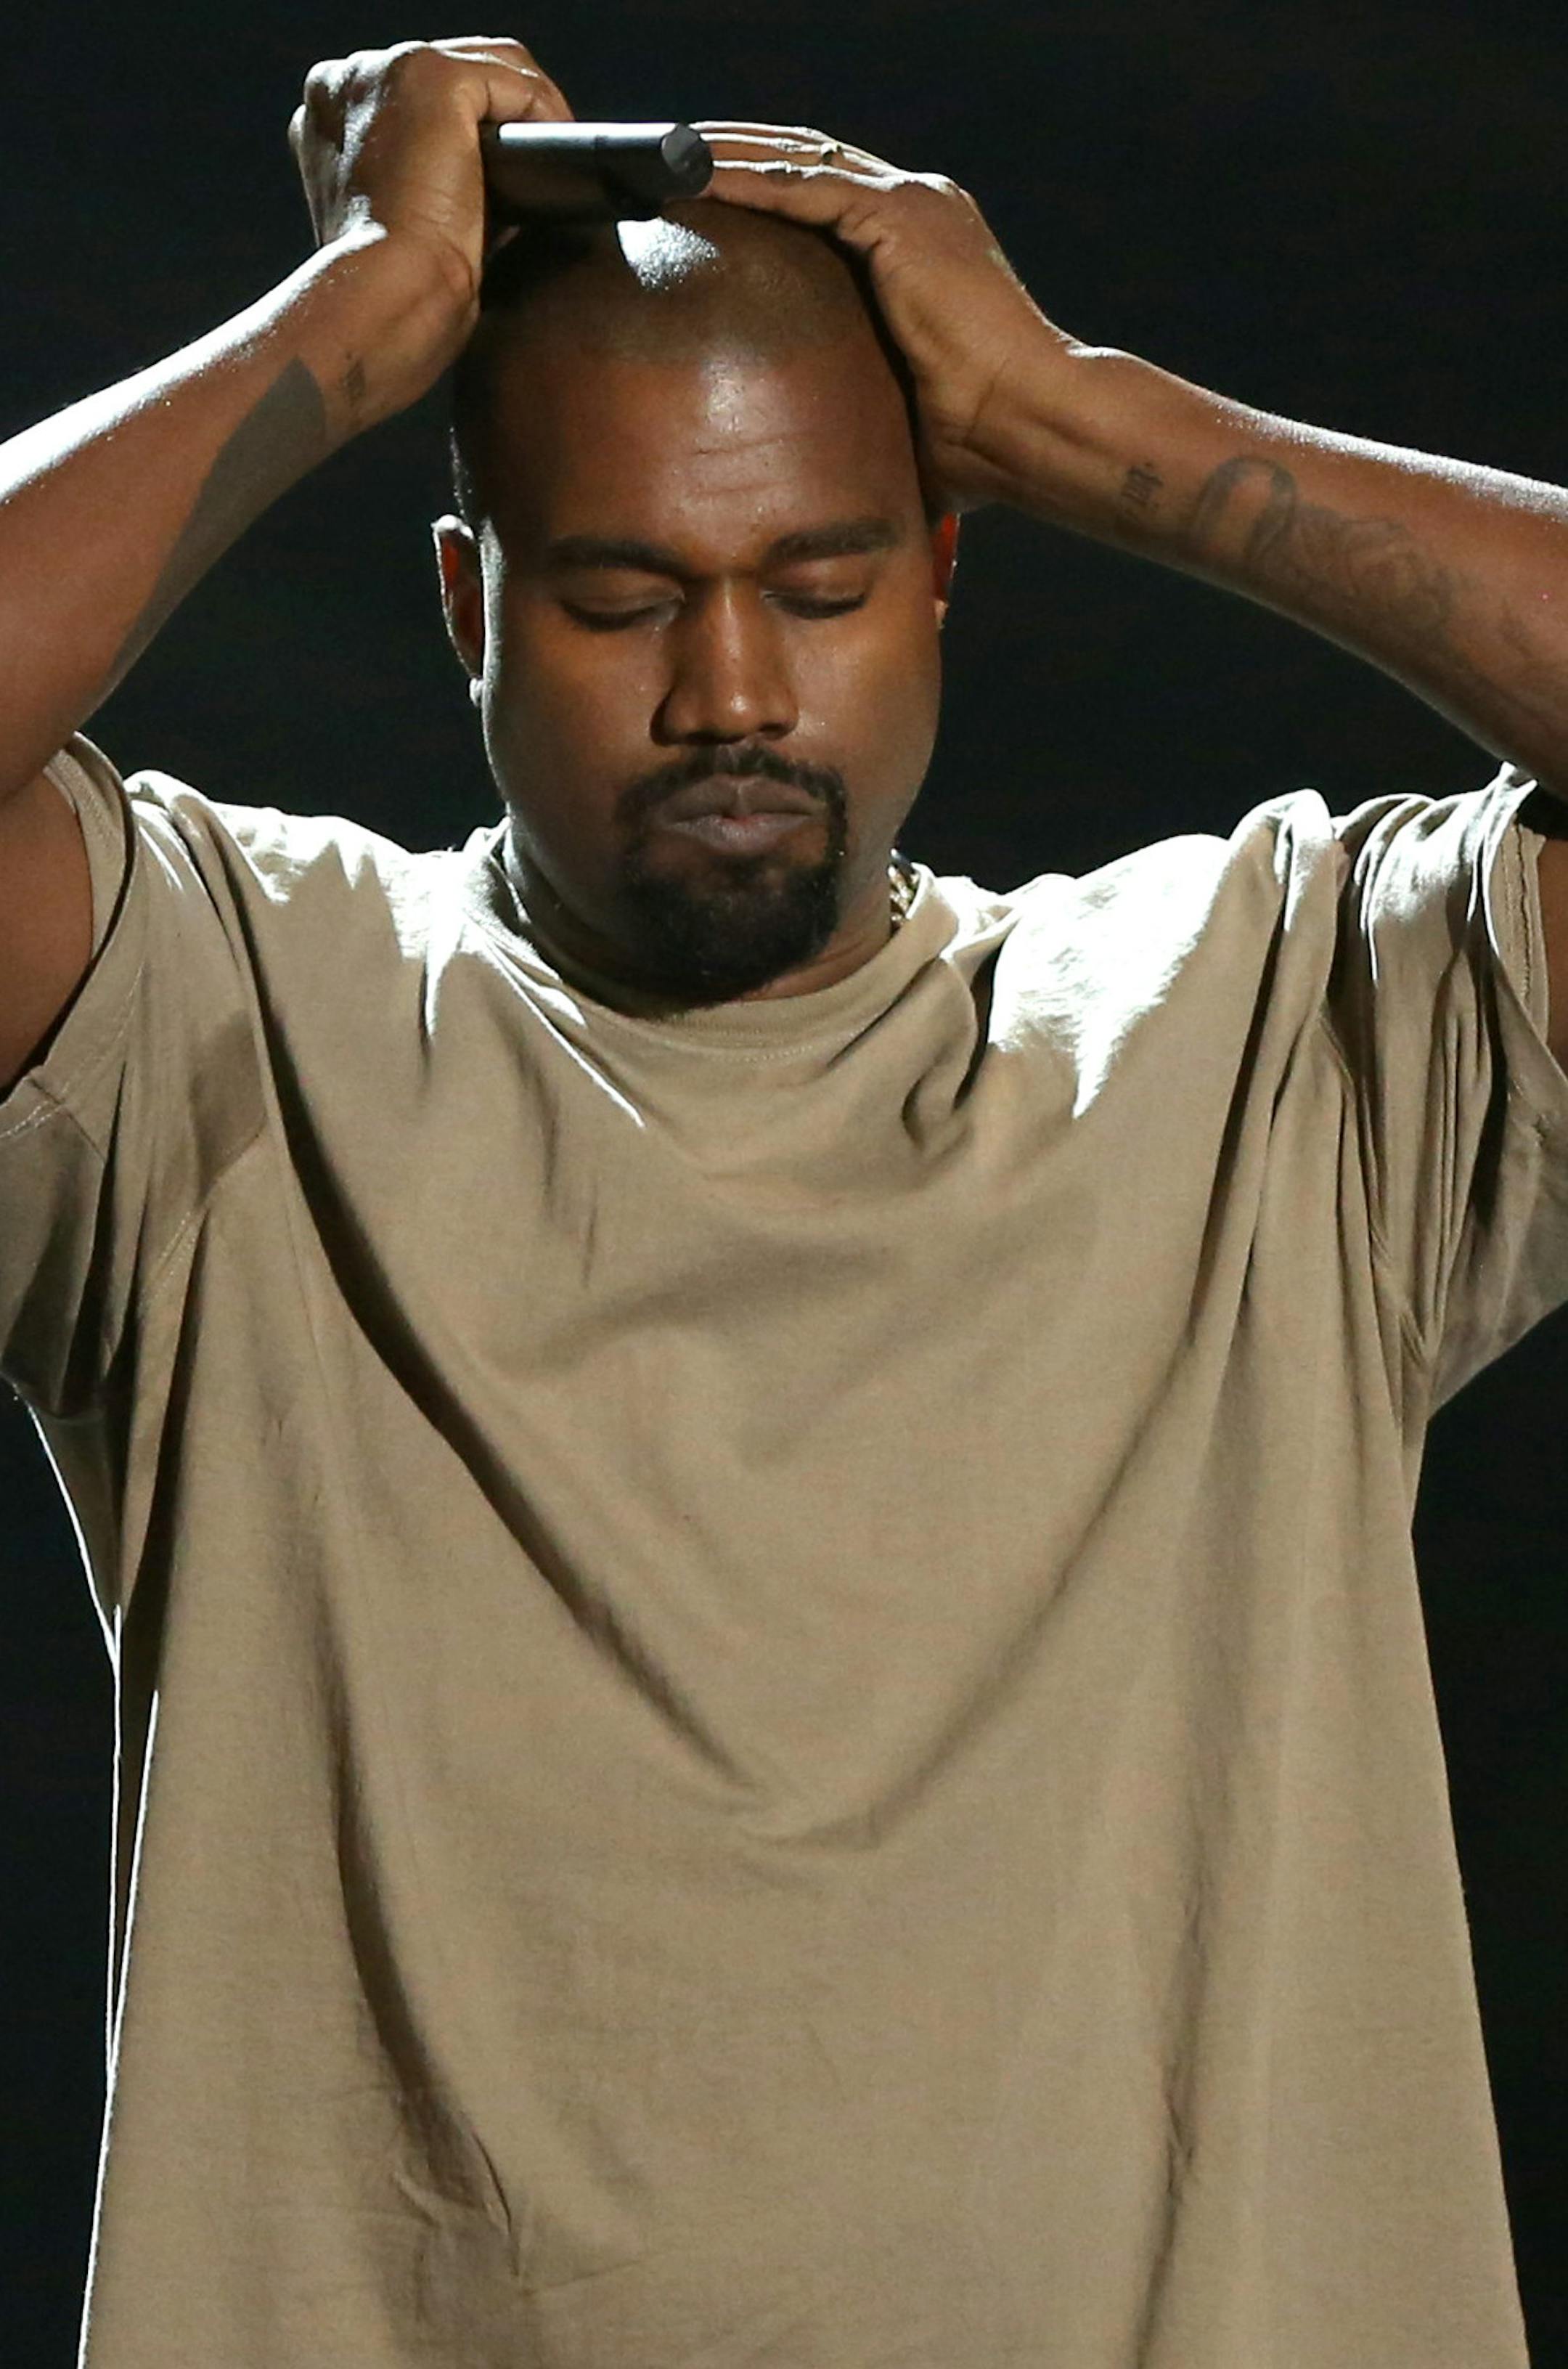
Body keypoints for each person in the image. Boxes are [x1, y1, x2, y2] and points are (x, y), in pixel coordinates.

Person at [2, 30, 1567, 2368]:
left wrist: (1093, 423)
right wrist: (350, 314)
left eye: (820, 586)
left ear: (947, 571)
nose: (733, 689)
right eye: (622, 599)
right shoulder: (225, 1014)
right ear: (469, 603)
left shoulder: (1266, 1030)